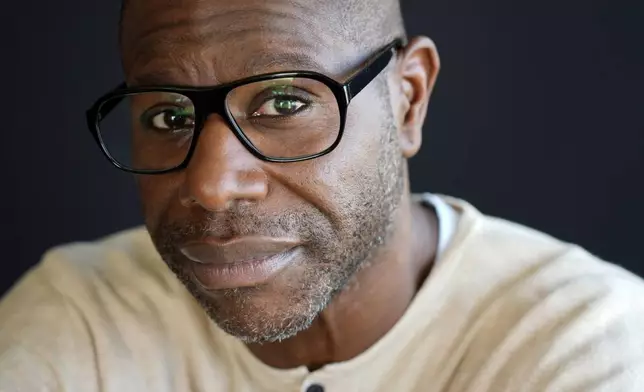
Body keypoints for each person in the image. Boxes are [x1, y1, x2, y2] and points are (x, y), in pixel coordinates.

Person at [1, 0, 644, 390]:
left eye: (285, 101)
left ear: (408, 98)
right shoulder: (80, 319)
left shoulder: (589, 345)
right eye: (169, 116)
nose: (212, 185)